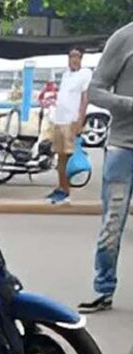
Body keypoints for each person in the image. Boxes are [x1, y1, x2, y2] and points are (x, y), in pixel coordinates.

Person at [77, 23, 133, 314]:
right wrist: (129, 103)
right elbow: (96, 91)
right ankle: (104, 288)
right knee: (112, 224)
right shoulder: (123, 38)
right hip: (124, 147)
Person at [47, 47, 93, 205]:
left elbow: (85, 98)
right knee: (60, 157)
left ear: (81, 58)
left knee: (68, 156)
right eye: (71, 56)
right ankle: (61, 187)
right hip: (60, 119)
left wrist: (80, 120)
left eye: (76, 56)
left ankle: (67, 191)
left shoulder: (85, 74)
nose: (73, 59)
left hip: (71, 120)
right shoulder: (66, 74)